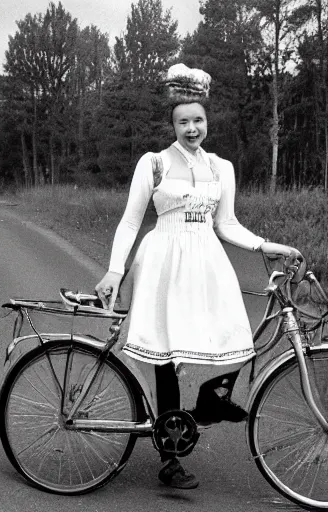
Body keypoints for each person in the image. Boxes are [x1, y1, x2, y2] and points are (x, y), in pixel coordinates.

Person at [95, 64, 302, 490]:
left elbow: (226, 224)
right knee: (167, 357)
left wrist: (267, 245)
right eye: (183, 121)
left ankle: (211, 399)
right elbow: (131, 222)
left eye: (198, 120)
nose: (192, 128)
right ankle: (170, 459)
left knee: (235, 337)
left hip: (206, 265)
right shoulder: (152, 164)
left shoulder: (221, 168)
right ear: (172, 124)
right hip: (163, 264)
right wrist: (115, 271)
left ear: (208, 121)